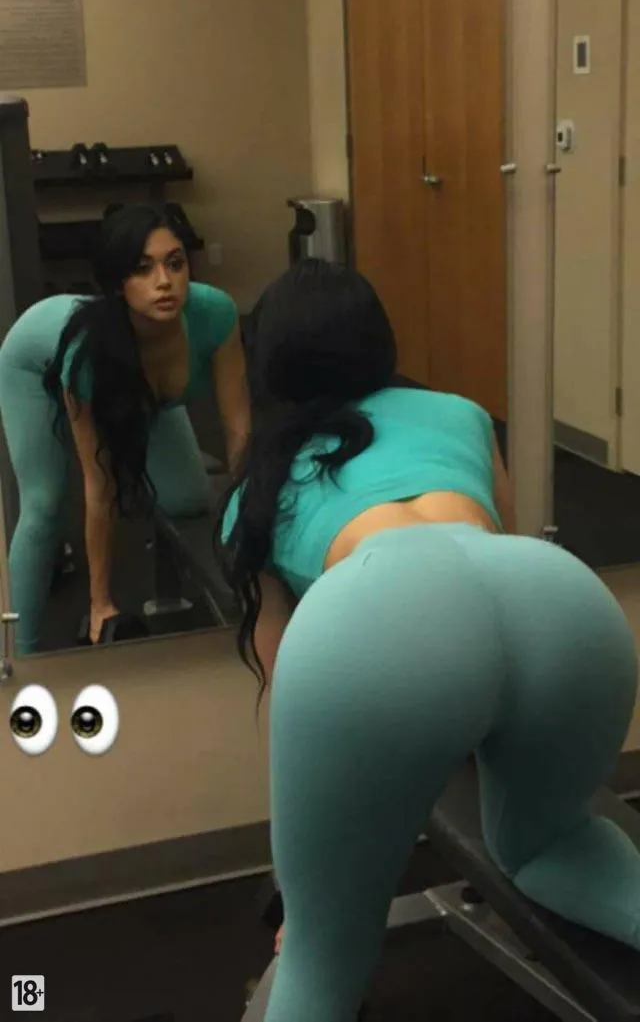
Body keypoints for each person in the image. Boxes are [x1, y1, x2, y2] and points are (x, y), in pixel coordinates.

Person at [216, 259, 640, 1022]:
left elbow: (286, 675)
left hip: (375, 616)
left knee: (320, 955)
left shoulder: (261, 480)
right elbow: (488, 578)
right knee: (550, 844)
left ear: (268, 363)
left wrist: (306, 896)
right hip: (558, 595)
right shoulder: (460, 413)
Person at [0, 202, 250, 653]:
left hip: (143, 389)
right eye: (142, 268)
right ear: (118, 283)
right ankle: (21, 650)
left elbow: (239, 434)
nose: (163, 281)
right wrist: (100, 604)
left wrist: (253, 536)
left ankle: (139, 444)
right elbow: (99, 488)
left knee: (189, 498)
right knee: (44, 504)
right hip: (35, 362)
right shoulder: (86, 353)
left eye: (175, 263)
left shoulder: (215, 314)